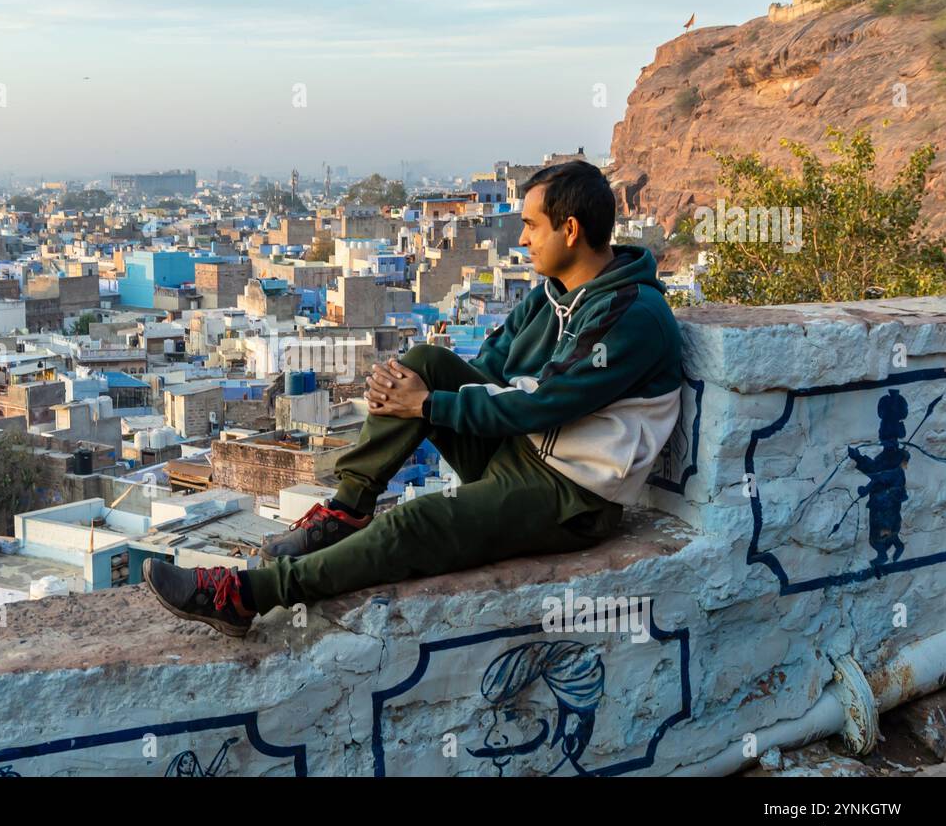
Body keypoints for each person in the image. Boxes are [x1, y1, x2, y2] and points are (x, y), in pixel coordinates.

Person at [143, 160, 684, 637]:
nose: (522, 240)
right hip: (520, 451)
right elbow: (488, 368)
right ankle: (348, 511)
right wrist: (411, 390)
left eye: (530, 226)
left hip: (572, 496)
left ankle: (247, 596)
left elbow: (545, 404)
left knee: (412, 524)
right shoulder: (553, 295)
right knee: (422, 363)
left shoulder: (631, 315)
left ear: (570, 230)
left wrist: (425, 407)